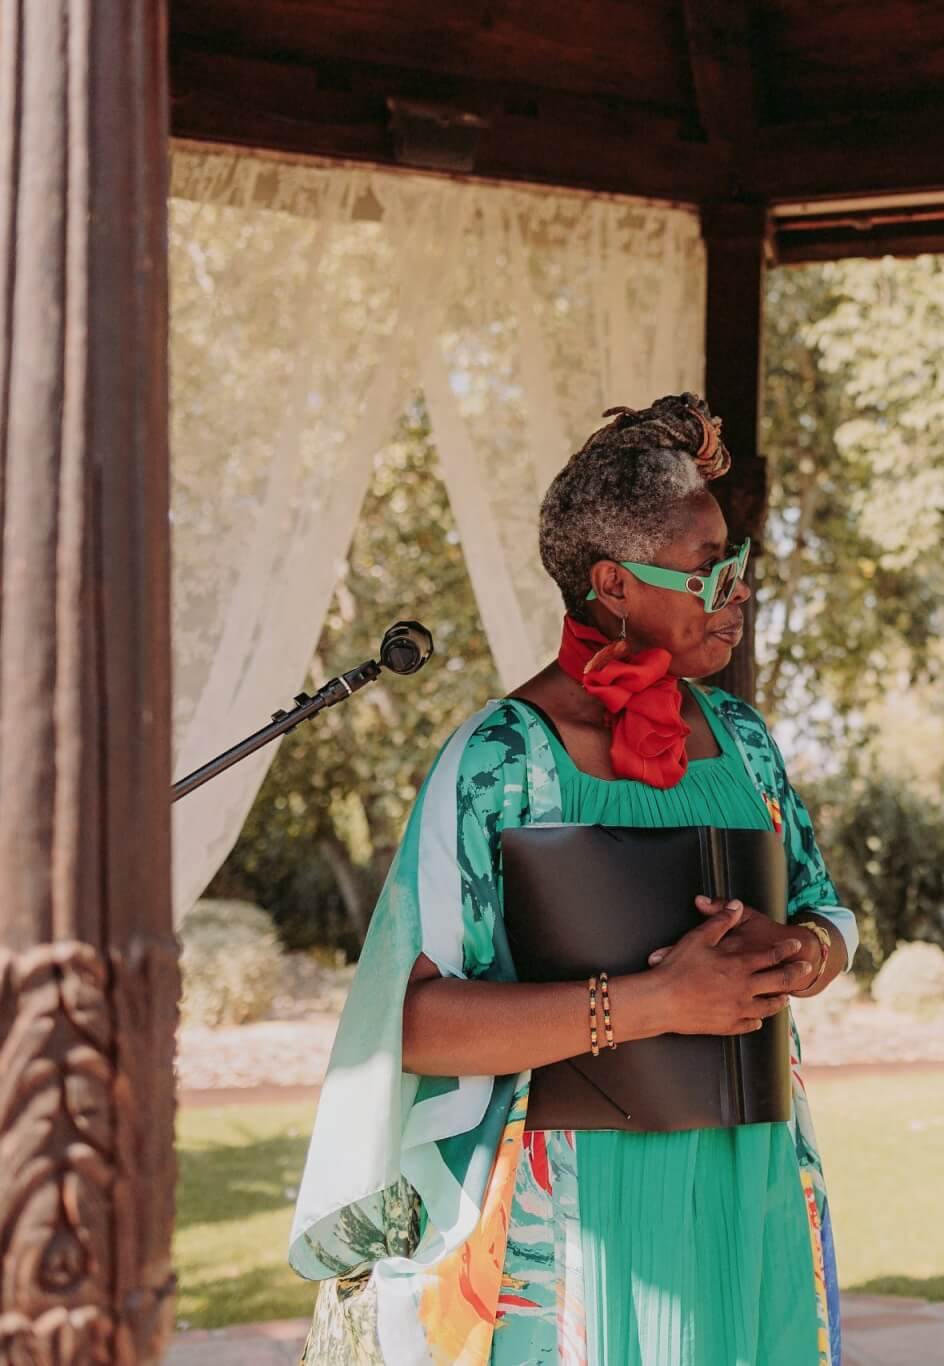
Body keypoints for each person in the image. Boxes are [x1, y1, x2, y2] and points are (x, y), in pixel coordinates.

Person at [288, 394, 853, 1366]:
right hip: (573, 1214)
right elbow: (414, 1022)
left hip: (744, 1172)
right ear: (612, 584)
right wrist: (656, 999)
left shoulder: (747, 741)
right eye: (706, 568)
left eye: (739, 562)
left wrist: (803, 953)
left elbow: (824, 910)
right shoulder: (502, 760)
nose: (735, 589)